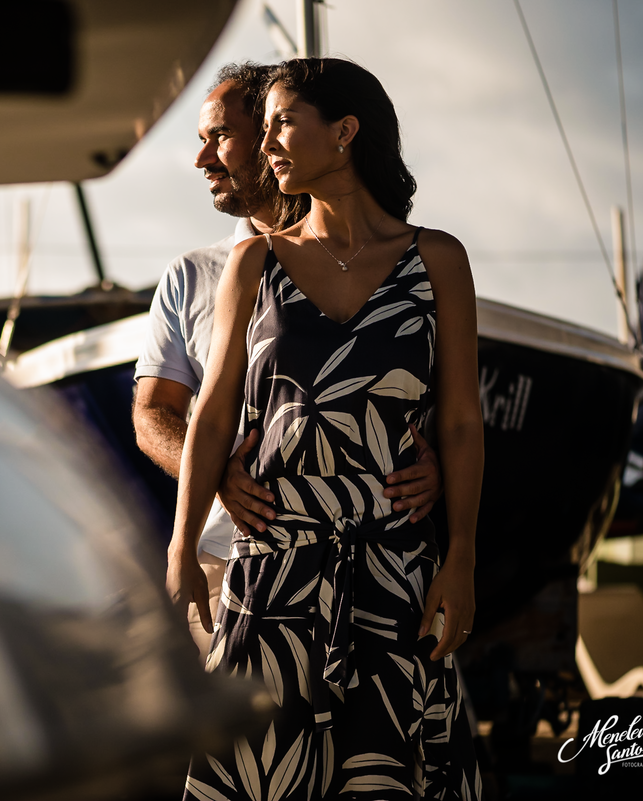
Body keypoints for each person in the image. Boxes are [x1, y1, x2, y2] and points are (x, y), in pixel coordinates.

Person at [168, 58, 484, 798]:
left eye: (282, 121)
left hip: (394, 571)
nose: (266, 141)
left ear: (345, 132)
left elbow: (463, 420)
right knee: (254, 772)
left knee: (385, 774)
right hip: (272, 566)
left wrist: (462, 555)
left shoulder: (437, 260)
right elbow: (214, 412)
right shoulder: (256, 260)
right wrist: (183, 544)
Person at [132, 62, 443, 657]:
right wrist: (219, 478)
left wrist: (437, 470)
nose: (203, 160)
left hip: (380, 564)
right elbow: (154, 415)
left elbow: (436, 407)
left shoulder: (413, 263)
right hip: (235, 564)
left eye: (220, 136)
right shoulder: (195, 275)